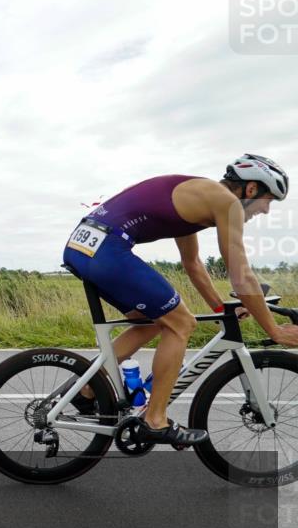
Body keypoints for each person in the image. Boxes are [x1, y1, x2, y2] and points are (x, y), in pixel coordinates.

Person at [61, 153, 298, 446]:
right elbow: (241, 275)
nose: (265, 210)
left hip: (84, 247)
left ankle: (86, 389)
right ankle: (155, 420)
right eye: (268, 200)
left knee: (153, 321)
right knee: (181, 323)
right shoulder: (226, 203)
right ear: (251, 189)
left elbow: (193, 264)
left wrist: (220, 308)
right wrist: (275, 331)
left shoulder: (200, 198)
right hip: (107, 250)